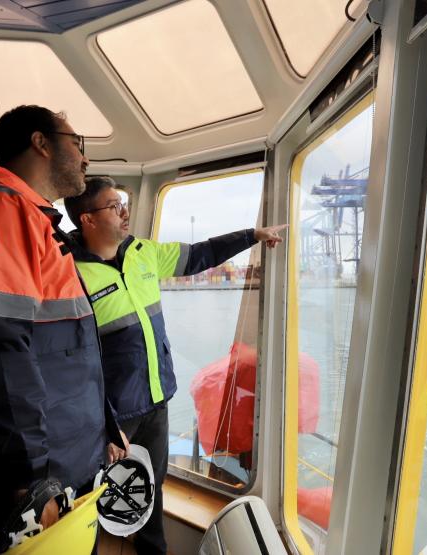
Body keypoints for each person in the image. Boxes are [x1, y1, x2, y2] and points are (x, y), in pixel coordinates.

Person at [0, 105, 128, 551]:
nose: (84, 158)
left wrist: (105, 430)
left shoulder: (32, 219)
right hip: (37, 474)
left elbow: (63, 351)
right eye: (78, 143)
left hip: (64, 457)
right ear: (41, 142)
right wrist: (31, 481)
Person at [64, 176, 285, 554]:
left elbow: (200, 253)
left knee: (153, 485)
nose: (125, 212)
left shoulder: (142, 252)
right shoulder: (69, 274)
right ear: (87, 219)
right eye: (114, 205)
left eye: (123, 203)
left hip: (156, 399)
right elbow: (71, 361)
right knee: (90, 493)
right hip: (113, 414)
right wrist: (105, 423)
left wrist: (253, 234)